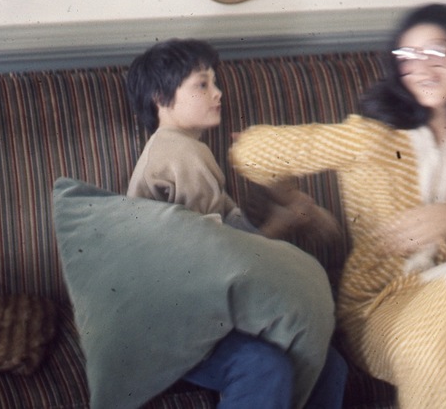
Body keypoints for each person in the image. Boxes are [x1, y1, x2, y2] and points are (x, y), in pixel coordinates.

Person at [231, 4, 446, 409]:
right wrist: (292, 200)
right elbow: (251, 154)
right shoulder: (371, 138)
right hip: (381, 302)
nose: (423, 68)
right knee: (439, 341)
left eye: (437, 52)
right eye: (408, 57)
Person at [125, 39, 346, 409]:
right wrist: (280, 224)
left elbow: (222, 239)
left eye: (215, 82)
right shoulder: (179, 152)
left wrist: (277, 215)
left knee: (327, 364)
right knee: (264, 366)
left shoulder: (185, 149)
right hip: (170, 322)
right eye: (202, 84)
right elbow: (217, 258)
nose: (218, 93)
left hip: (199, 309)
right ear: (160, 98)